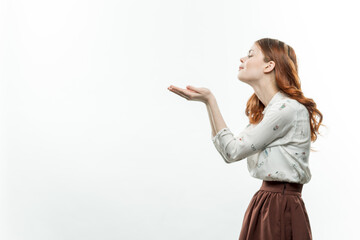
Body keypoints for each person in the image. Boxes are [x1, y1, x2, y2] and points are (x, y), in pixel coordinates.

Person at [167, 37, 323, 240]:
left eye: (250, 54)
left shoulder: (286, 109)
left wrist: (210, 101)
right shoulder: (273, 110)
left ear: (269, 65)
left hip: (279, 204)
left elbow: (233, 151)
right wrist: (208, 102)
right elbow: (229, 151)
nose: (242, 59)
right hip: (267, 201)